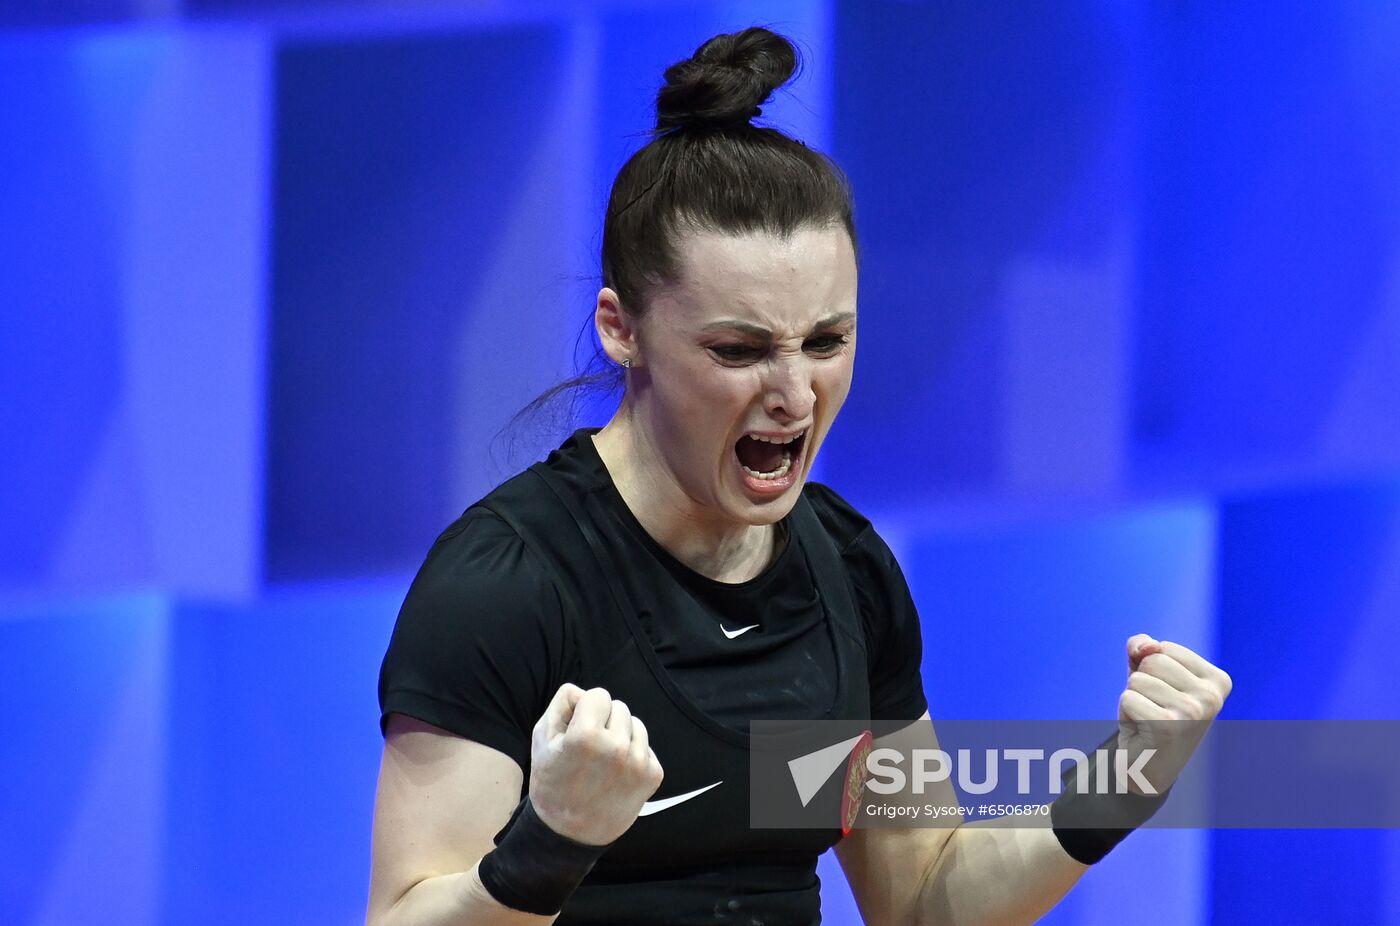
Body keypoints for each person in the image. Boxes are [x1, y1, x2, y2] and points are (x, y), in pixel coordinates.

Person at [365, 27, 1232, 926]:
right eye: (739, 350)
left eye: (827, 342)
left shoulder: (845, 575)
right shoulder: (508, 586)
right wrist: (548, 847)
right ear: (622, 329)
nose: (793, 395)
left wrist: (1123, 783)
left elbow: (921, 898)